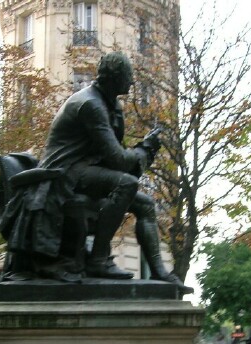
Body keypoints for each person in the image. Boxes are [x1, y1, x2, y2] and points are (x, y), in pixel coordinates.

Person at [34, 51, 191, 291]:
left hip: (85, 170)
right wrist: (144, 150)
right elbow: (117, 159)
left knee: (145, 205)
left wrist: (142, 151)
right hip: (62, 174)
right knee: (126, 184)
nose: (131, 81)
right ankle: (98, 260)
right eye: (128, 76)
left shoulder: (110, 104)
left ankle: (159, 271)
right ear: (116, 77)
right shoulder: (91, 105)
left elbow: (116, 154)